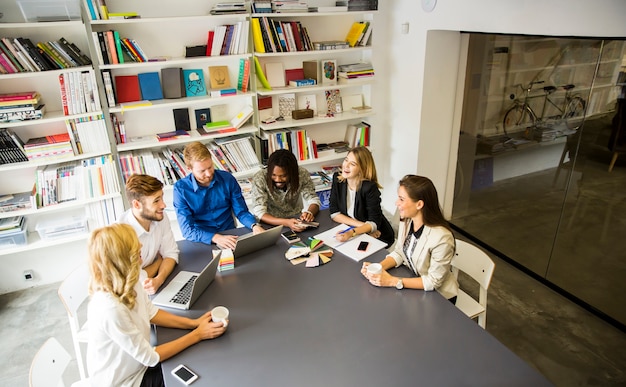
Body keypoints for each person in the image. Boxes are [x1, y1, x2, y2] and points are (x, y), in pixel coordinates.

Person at [86, 223, 227, 387]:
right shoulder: (110, 308)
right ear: (122, 261)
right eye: (135, 251)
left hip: (139, 364)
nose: (141, 246)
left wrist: (194, 323)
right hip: (129, 381)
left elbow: (151, 312)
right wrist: (197, 335)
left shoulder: (131, 277)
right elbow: (151, 358)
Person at [360, 175, 458, 303]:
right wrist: (378, 267)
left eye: (401, 199)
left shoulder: (442, 238)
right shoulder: (407, 220)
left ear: (419, 204)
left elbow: (433, 281)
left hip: (440, 297)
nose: (397, 203)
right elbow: (400, 252)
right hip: (414, 284)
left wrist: (392, 281)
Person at [173, 141, 264, 250]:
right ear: (189, 169)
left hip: (230, 235)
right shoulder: (180, 189)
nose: (208, 174)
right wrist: (215, 237)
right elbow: (188, 230)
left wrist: (254, 226)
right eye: (202, 171)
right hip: (202, 239)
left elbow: (241, 212)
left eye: (210, 167)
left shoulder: (227, 179)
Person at [118, 174, 179, 295]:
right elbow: (134, 282)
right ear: (137, 204)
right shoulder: (120, 234)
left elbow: (171, 254)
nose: (163, 205)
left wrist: (159, 279)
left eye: (161, 198)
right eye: (156, 201)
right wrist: (158, 261)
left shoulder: (160, 217)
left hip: (155, 286)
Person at [328, 146, 394, 247]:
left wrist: (353, 232)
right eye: (346, 160)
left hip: (380, 236)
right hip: (358, 231)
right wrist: (363, 227)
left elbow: (374, 223)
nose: (346, 165)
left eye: (353, 164)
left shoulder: (369, 188)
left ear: (362, 169)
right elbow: (334, 213)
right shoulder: (338, 180)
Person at [251, 149, 321, 231]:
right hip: (269, 222)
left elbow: (313, 199)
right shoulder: (260, 178)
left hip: (296, 218)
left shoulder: (301, 174)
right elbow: (259, 213)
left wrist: (309, 213)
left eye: (283, 176)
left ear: (292, 173)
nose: (278, 179)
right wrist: (286, 222)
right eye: (273, 175)